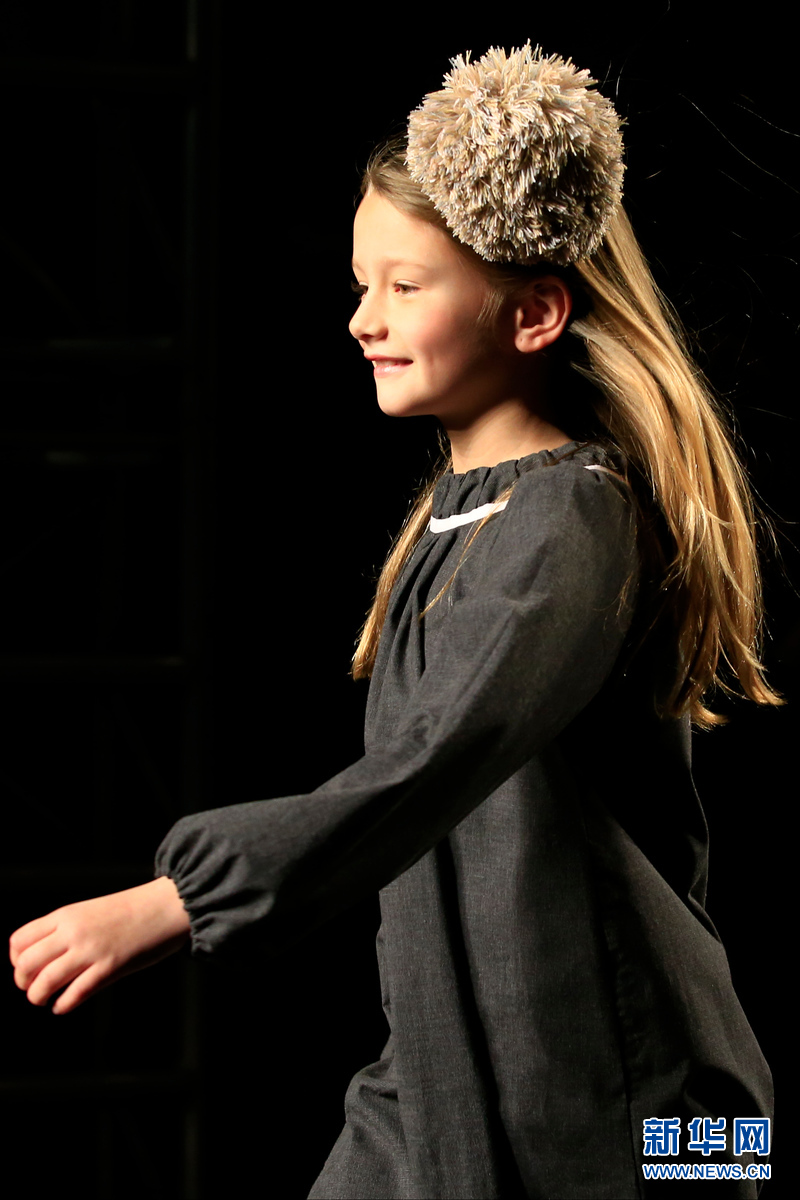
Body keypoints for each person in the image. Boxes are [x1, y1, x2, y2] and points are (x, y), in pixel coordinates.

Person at [9, 44, 778, 1199]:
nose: (362, 319)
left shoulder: (574, 516)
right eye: (362, 283)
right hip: (437, 1091)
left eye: (405, 287)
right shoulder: (457, 521)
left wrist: (184, 897)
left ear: (532, 313)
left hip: (649, 1126)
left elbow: (435, 759)